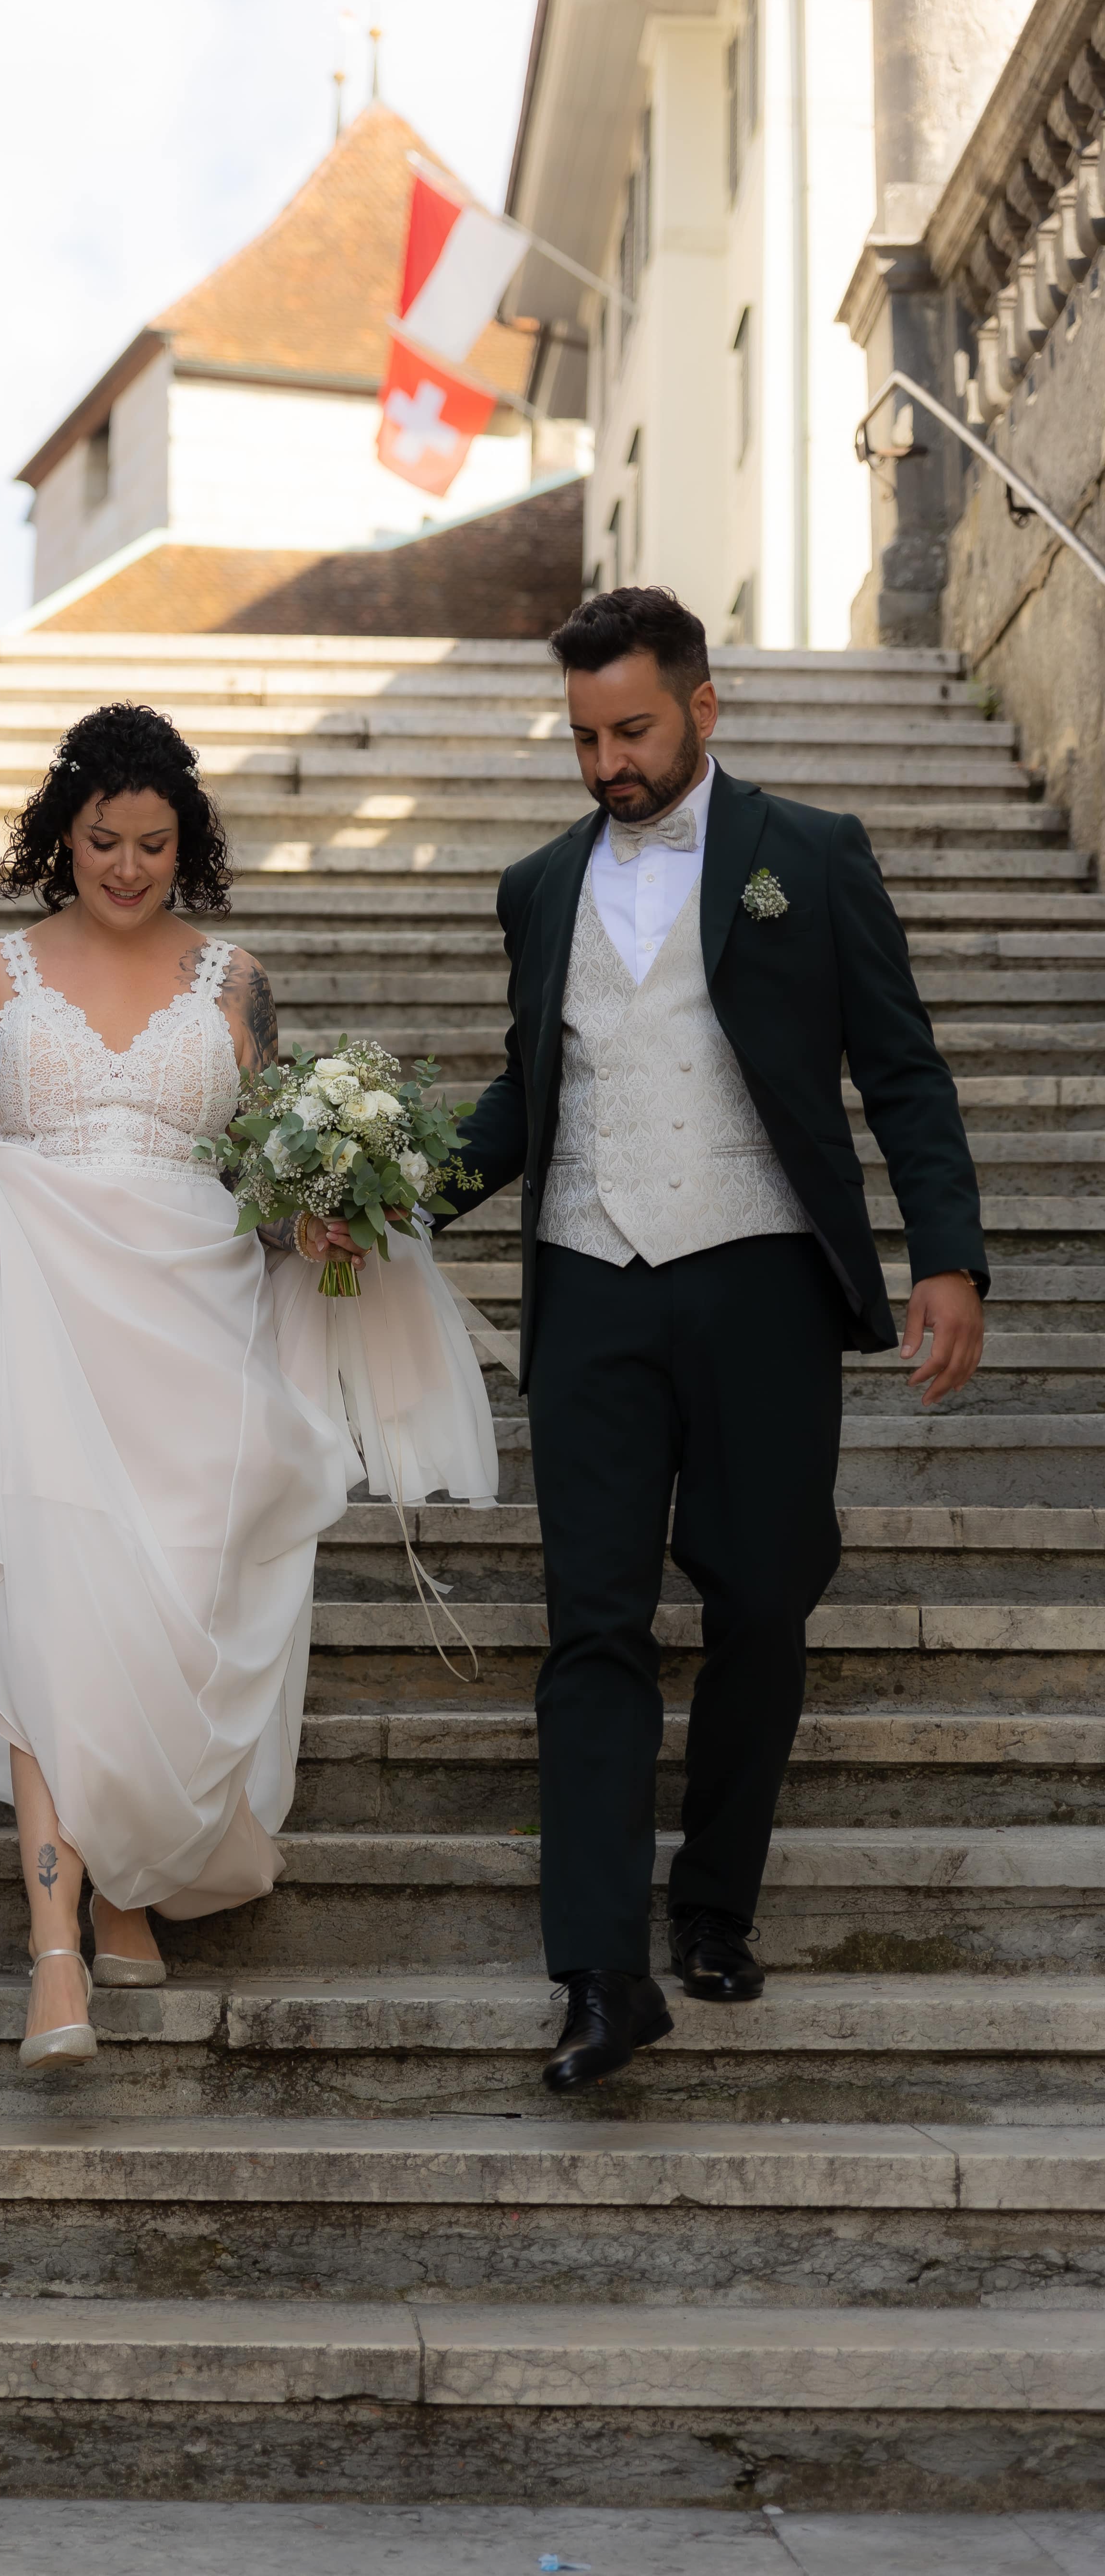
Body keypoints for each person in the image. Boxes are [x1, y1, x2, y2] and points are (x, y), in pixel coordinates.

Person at [0, 701, 496, 2068]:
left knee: (176, 1622)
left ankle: (131, 1883)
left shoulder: (236, 984)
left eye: (152, 844)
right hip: (45, 1329)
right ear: (60, 837)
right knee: (50, 1618)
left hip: (202, 1336)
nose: (127, 869)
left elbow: (266, 1173)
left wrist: (325, 1211)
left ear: (185, 844)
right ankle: (56, 1954)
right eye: (102, 842)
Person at [443, 587, 987, 2095]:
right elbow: (528, 1091)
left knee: (761, 1596)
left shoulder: (810, 855)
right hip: (589, 1284)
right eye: (583, 739)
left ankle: (715, 1902)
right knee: (594, 1624)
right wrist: (390, 1197)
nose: (607, 763)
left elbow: (903, 1069)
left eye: (631, 730)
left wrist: (949, 1256)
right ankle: (599, 1972)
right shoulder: (539, 887)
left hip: (760, 1276)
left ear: (702, 706)